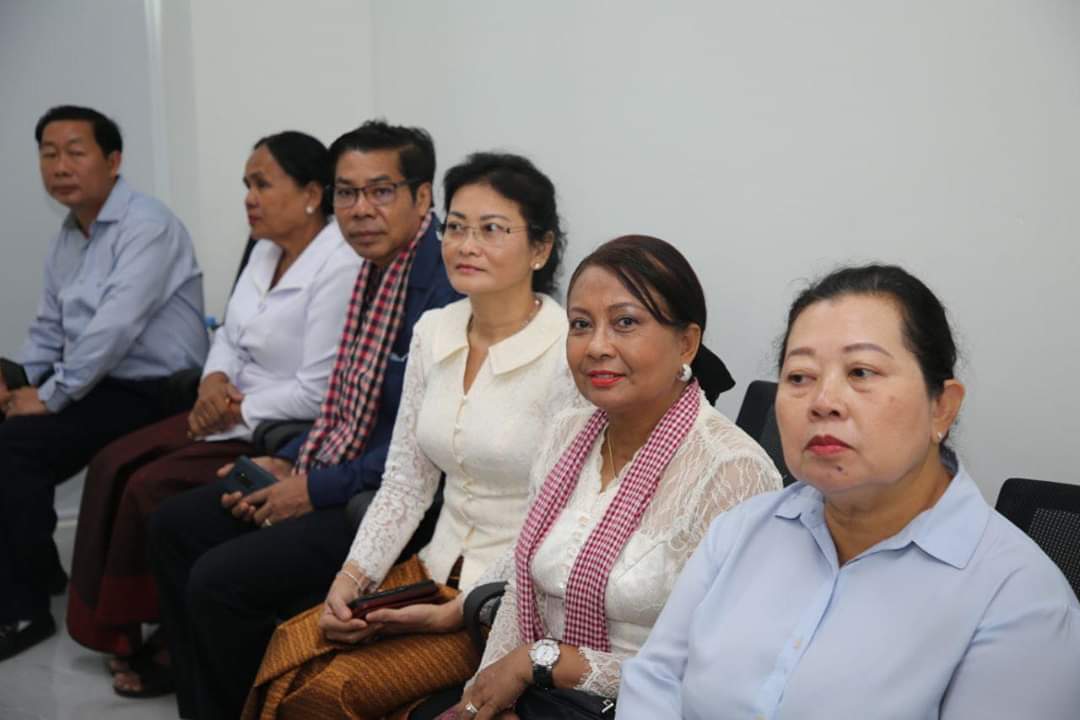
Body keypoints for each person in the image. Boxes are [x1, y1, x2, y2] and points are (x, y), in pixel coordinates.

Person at [618, 264, 1080, 719]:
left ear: (942, 407)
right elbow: (656, 679)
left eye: (861, 372)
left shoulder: (1020, 601)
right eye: (800, 377)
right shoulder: (740, 530)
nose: (823, 402)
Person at [146, 122, 464, 719]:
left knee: (219, 580)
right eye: (347, 193)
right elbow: (342, 407)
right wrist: (289, 461)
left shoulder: (443, 288)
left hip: (387, 500)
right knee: (174, 524)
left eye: (381, 191)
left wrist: (311, 488)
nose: (360, 210)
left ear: (422, 197)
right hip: (334, 466)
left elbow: (420, 449)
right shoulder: (371, 268)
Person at [243, 152, 573, 720]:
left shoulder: (567, 350)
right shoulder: (433, 332)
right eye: (457, 227)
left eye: (492, 229)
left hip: (508, 600)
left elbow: (558, 518)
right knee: (288, 652)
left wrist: (458, 610)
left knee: (330, 693)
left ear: (540, 249)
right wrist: (352, 579)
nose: (467, 245)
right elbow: (405, 483)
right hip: (428, 572)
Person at [65, 130, 360, 694]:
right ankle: (124, 629)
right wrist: (213, 382)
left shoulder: (340, 264)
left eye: (262, 184)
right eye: (247, 184)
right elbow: (227, 333)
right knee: (111, 462)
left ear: (310, 194)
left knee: (149, 486)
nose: (249, 198)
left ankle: (170, 643)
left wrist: (232, 407)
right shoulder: (264, 249)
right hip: (224, 407)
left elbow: (318, 389)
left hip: (272, 424)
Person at [446, 236, 780, 720]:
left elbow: (714, 673)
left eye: (625, 323)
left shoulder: (732, 471)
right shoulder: (566, 432)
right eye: (581, 324)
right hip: (540, 698)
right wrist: (485, 697)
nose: (597, 346)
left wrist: (545, 662)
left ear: (686, 343)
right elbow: (523, 591)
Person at [0, 105, 207, 662]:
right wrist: (15, 382)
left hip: (155, 390)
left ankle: (23, 608)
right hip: (98, 381)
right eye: (48, 154)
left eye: (75, 152)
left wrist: (48, 397)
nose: (60, 166)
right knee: (8, 423)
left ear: (113, 161)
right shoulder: (69, 235)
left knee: (16, 446)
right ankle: (37, 571)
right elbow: (50, 328)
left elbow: (113, 329)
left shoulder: (147, 225)